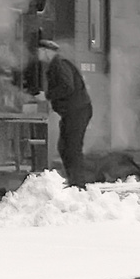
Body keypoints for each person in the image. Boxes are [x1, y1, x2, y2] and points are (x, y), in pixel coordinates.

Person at [37, 38, 93, 188]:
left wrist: (47, 96)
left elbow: (67, 87)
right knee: (65, 146)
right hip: (73, 112)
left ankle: (77, 184)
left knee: (71, 147)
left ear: (46, 52)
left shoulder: (59, 65)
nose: (37, 55)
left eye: (39, 51)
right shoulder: (57, 64)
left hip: (77, 111)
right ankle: (74, 181)